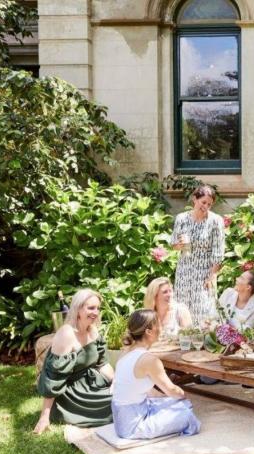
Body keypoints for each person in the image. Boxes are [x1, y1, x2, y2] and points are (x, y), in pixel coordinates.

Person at [34, 289, 114, 434]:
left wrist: (117, 383)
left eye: (97, 308)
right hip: (71, 394)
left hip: (91, 384)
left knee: (121, 398)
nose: (95, 312)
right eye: (90, 308)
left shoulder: (93, 330)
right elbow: (53, 378)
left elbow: (103, 364)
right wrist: (44, 417)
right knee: (115, 406)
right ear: (78, 309)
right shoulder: (66, 334)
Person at [112, 309, 201, 439]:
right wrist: (184, 395)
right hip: (133, 426)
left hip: (126, 417)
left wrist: (172, 400)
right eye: (158, 325)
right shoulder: (149, 360)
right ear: (148, 331)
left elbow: (146, 391)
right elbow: (172, 390)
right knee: (187, 415)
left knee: (182, 404)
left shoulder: (125, 352)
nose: (161, 328)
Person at [170, 185, 225, 328]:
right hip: (185, 270)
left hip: (205, 272)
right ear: (195, 199)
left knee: (204, 310)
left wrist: (212, 276)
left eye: (209, 204)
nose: (206, 206)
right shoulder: (181, 218)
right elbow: (174, 245)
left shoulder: (216, 221)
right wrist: (180, 244)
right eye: (203, 202)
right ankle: (182, 342)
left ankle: (202, 342)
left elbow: (218, 252)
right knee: (183, 308)